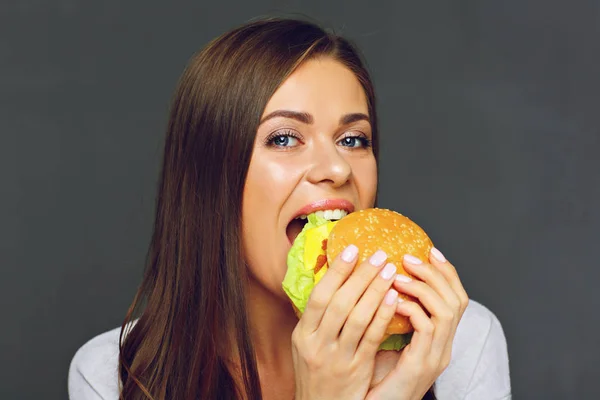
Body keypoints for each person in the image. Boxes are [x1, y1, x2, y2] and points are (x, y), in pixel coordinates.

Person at [68, 17, 511, 400]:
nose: (337, 167)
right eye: (284, 138)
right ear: (211, 177)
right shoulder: (117, 374)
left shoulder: (458, 342)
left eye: (353, 139)